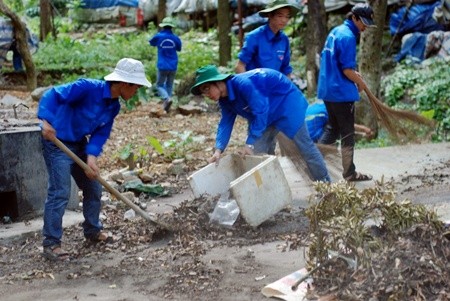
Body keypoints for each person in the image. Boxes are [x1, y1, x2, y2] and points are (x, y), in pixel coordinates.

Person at [37, 58, 152, 261]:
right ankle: (51, 243)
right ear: (126, 84)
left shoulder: (113, 107)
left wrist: (92, 157)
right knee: (60, 191)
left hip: (79, 144)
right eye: (136, 87)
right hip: (57, 143)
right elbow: (52, 95)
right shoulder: (87, 88)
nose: (136, 92)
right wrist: (45, 120)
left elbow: (101, 133)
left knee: (93, 187)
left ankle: (92, 231)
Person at [190, 65, 330, 183]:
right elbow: (225, 123)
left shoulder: (243, 84)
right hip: (263, 117)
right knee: (257, 154)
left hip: (286, 105)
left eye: (207, 89)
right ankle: (272, 190)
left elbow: (261, 110)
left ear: (218, 82)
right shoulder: (224, 100)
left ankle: (325, 185)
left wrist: (249, 142)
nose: (207, 94)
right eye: (203, 92)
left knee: (304, 146)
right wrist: (218, 150)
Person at [317, 3, 376, 182]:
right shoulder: (349, 36)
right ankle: (350, 173)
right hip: (341, 93)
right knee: (347, 134)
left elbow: (336, 62)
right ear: (354, 18)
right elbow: (346, 70)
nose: (364, 27)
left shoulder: (336, 31)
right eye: (362, 23)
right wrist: (360, 82)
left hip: (328, 90)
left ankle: (314, 162)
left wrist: (355, 76)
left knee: (332, 129)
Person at [234, 0, 300, 79]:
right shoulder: (254, 37)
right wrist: (249, 88)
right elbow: (240, 66)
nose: (284, 20)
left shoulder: (284, 40)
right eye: (280, 16)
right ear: (270, 15)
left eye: (287, 17)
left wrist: (287, 88)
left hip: (275, 87)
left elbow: (286, 69)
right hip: (255, 86)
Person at [149, 16, 182, 113]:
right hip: (173, 65)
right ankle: (168, 102)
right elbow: (179, 48)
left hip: (162, 65)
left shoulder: (159, 36)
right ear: (172, 27)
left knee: (159, 85)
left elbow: (151, 43)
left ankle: (166, 99)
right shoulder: (175, 38)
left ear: (163, 26)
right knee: (169, 84)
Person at [306, 100, 374, 143]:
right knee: (334, 126)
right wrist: (365, 129)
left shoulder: (313, 106)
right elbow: (345, 124)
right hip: (315, 140)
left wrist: (360, 133)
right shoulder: (329, 108)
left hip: (302, 139)